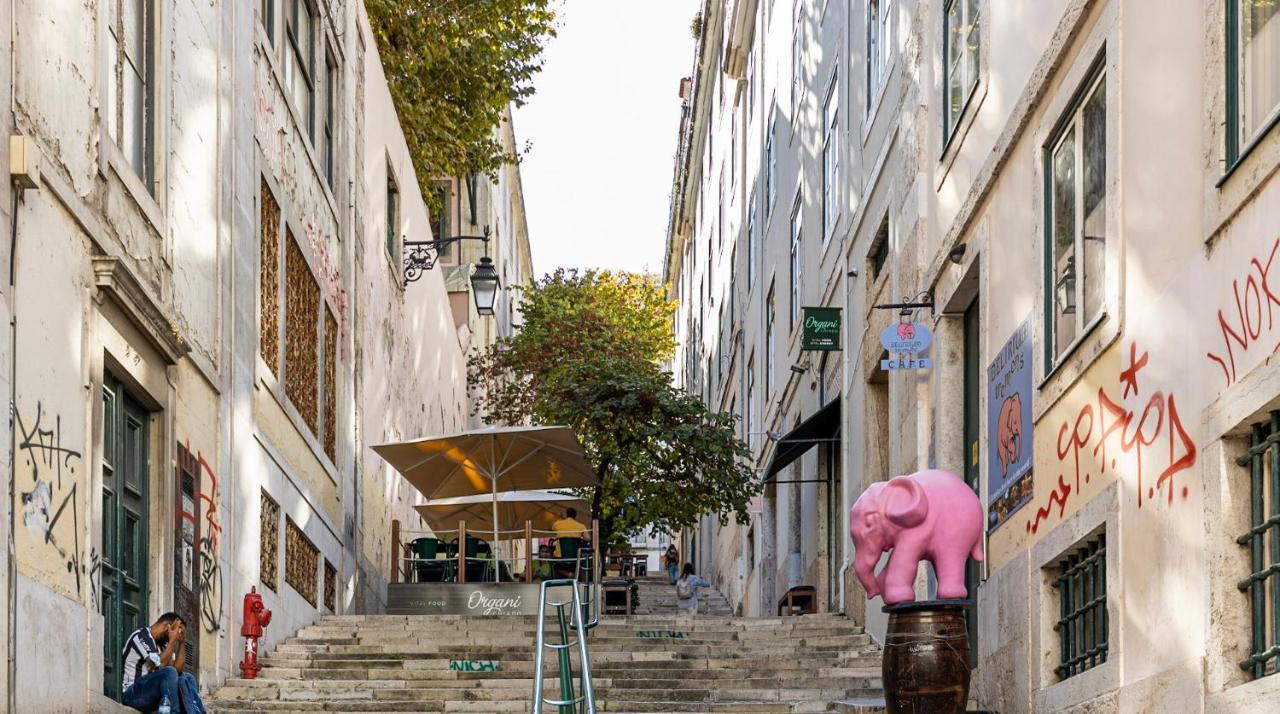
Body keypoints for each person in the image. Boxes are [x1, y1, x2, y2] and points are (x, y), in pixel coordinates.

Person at [121, 612, 205, 713]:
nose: (176, 636)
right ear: (167, 627)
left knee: (187, 678)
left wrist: (182, 643)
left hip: (152, 695)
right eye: (177, 631)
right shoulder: (141, 636)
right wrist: (172, 640)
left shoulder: (164, 646)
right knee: (168, 672)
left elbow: (177, 670)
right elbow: (160, 663)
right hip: (133, 694)